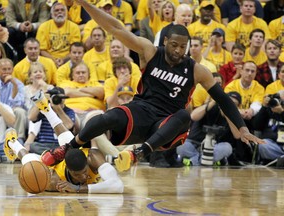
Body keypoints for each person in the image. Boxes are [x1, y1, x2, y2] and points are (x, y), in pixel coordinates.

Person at [40, 0, 264, 172]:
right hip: (140, 112)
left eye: (183, 47)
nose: (178, 51)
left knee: (184, 116)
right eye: (174, 45)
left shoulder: (196, 70)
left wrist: (241, 127)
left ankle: (139, 153)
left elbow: (223, 98)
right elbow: (116, 28)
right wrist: (84, 4)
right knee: (103, 119)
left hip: (166, 126)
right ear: (165, 42)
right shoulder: (149, 51)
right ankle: (68, 148)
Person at [3, 126, 124, 193]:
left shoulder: (93, 157)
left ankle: (47, 109)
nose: (82, 177)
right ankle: (12, 142)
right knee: (31, 164)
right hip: (50, 163)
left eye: (84, 172)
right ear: (70, 171)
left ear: (87, 162)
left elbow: (118, 186)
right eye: (77, 175)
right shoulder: (56, 181)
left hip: (69, 149)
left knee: (70, 140)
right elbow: (37, 185)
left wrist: (78, 188)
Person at [177, 91, 242, 166]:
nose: (229, 105)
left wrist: (228, 116)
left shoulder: (235, 116)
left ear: (238, 106)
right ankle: (203, 161)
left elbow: (237, 135)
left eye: (233, 104)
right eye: (227, 102)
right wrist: (213, 101)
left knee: (227, 147)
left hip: (215, 147)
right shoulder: (211, 107)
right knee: (181, 145)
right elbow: (193, 116)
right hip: (194, 143)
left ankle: (194, 161)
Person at [36, 2, 81, 67]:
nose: (60, 12)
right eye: (56, 10)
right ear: (51, 14)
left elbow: (75, 49)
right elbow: (42, 50)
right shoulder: (43, 27)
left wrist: (63, 60)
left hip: (69, 60)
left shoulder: (74, 27)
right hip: (48, 60)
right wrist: (54, 60)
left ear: (66, 13)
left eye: (62, 10)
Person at [0, 58, 27, 143]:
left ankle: (18, 138)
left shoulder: (18, 83)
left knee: (20, 111)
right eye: (4, 69)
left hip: (11, 110)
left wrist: (14, 85)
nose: (7, 72)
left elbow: (19, 103)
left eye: (9, 69)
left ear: (12, 70)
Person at [0, 84, 16, 162]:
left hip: (1, 145)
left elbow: (12, 123)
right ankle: (1, 157)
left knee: (18, 142)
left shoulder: (6, 107)